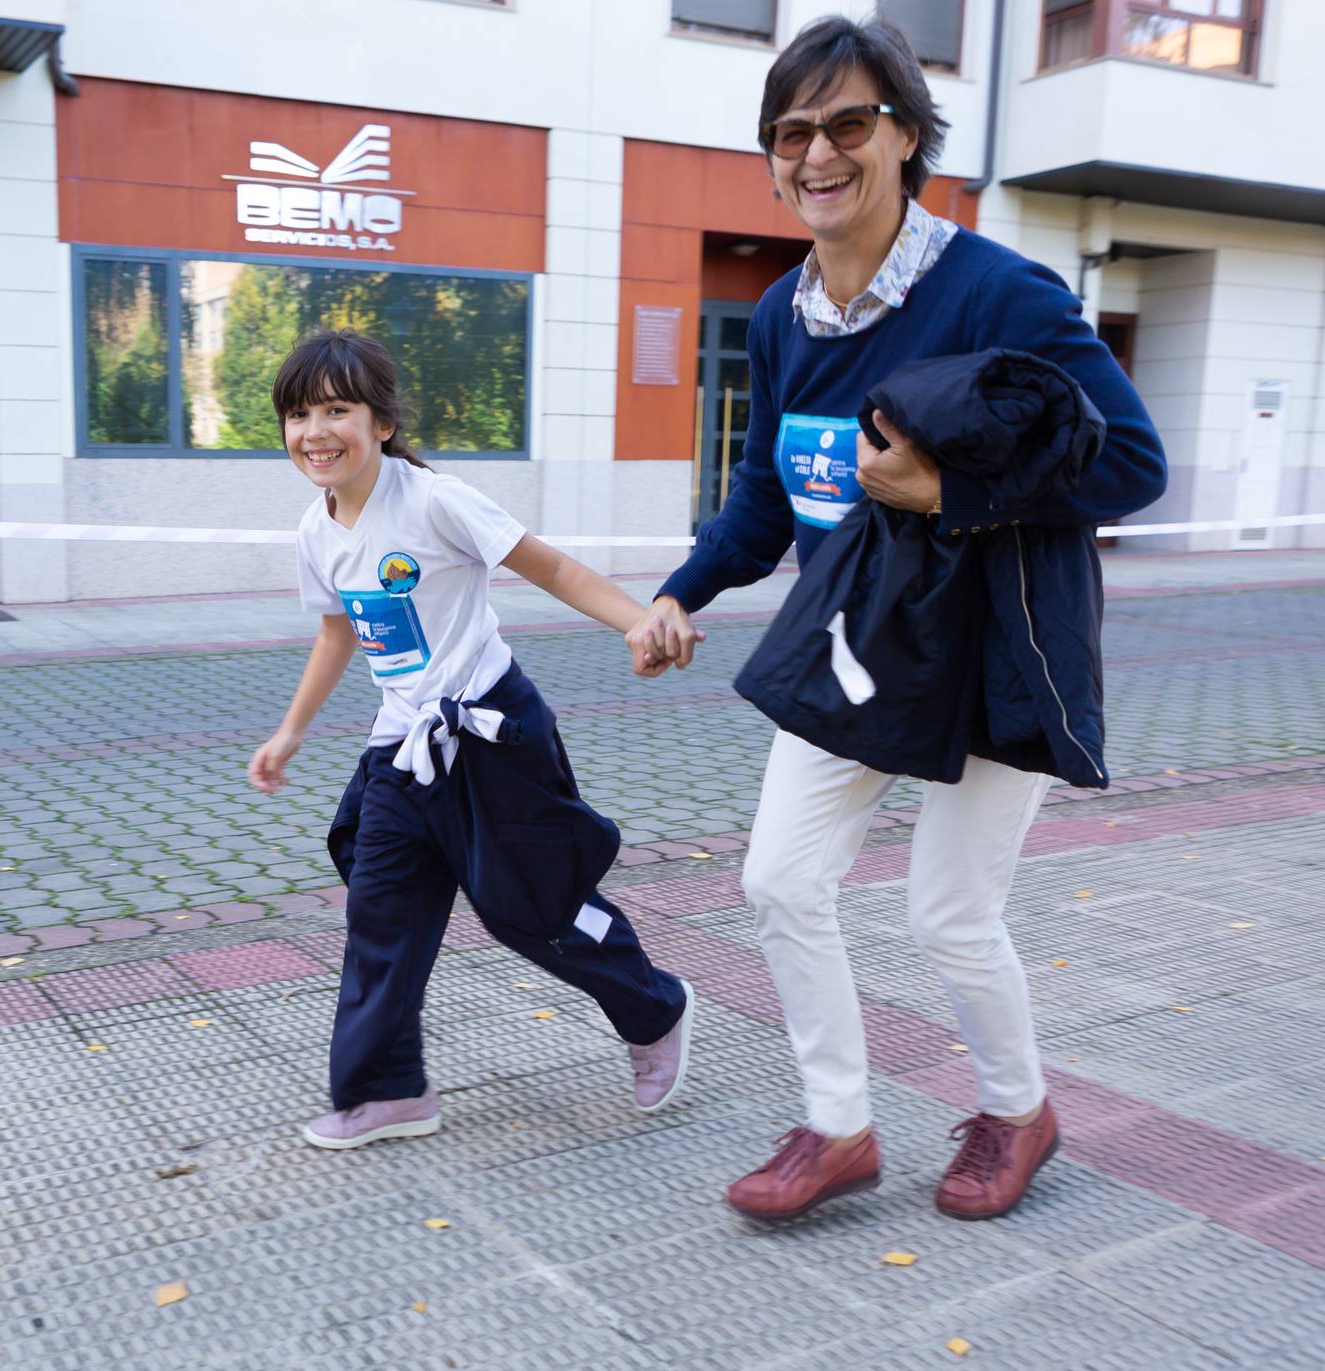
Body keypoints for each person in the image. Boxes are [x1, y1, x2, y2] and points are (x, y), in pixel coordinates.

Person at [628, 16, 1166, 1222]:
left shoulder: (999, 293)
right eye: (791, 133)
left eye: (848, 124)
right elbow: (768, 493)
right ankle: (838, 1129)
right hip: (857, 641)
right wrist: (681, 591)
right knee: (778, 878)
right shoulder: (781, 315)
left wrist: (951, 493)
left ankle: (1018, 1112)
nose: (818, 152)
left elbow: (1132, 464)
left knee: (949, 909)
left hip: (993, 645)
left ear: (907, 137)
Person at [247, 330, 695, 1150]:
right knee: (380, 910)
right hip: (403, 749)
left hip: (493, 735)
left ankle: (654, 1006)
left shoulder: (432, 500)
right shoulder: (315, 531)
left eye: (337, 409)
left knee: (529, 912)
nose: (315, 430)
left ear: (380, 422)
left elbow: (553, 569)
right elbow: (336, 633)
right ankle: (387, 1091)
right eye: (298, 414)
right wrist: (291, 731)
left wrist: (641, 622)